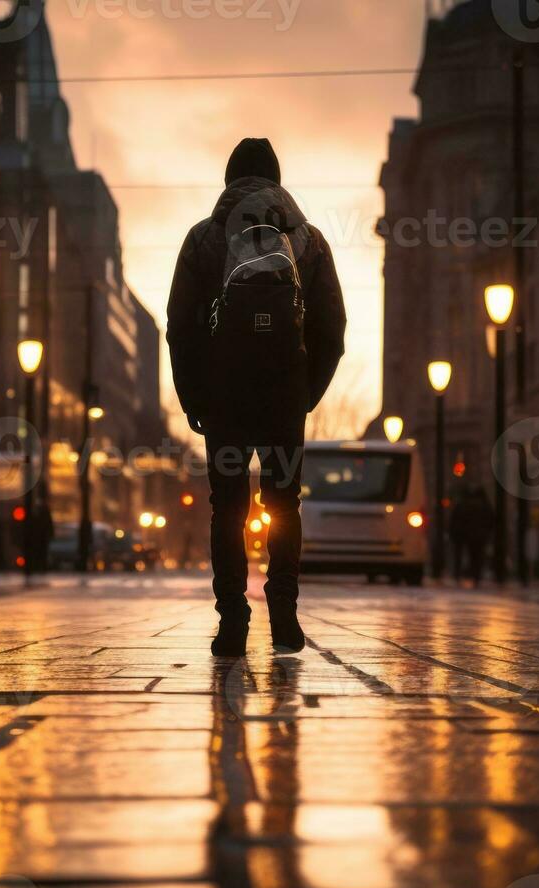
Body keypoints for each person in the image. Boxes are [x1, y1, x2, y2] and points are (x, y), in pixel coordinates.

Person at [166, 138, 346, 656]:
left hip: (224, 396)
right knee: (285, 504)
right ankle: (284, 616)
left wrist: (193, 398)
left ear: (229, 182)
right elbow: (333, 327)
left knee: (227, 508)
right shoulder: (309, 241)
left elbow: (181, 326)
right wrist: (306, 394)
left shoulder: (203, 238)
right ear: (277, 181)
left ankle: (233, 623)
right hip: (284, 392)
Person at [450, 486, 493, 585]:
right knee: (477, 557)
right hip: (478, 535)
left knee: (464, 556)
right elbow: (490, 520)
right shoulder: (484, 505)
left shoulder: (462, 505)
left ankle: (459, 575)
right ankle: (476, 576)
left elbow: (455, 520)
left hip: (465, 534)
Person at [29, 486, 54, 573]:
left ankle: (39, 567)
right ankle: (41, 567)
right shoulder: (43, 508)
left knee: (39, 552)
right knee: (41, 553)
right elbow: (48, 523)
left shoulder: (38, 507)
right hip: (40, 536)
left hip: (39, 536)